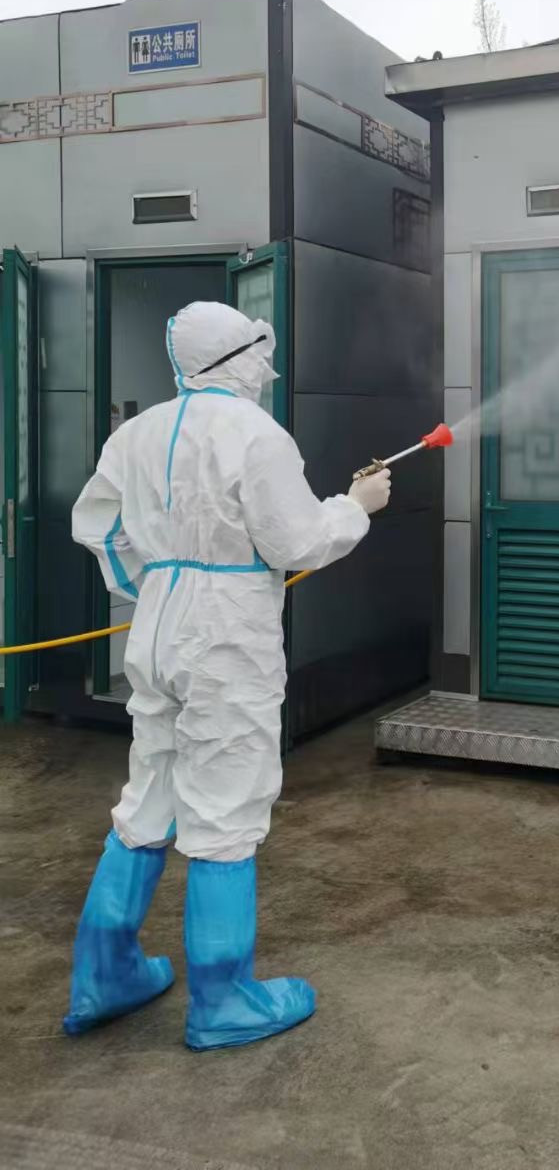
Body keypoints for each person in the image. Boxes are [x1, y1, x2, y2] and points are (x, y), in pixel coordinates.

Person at [62, 301, 391, 1051]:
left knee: (150, 792)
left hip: (157, 623)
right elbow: (296, 542)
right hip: (226, 633)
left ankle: (104, 975)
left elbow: (101, 529)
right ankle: (222, 1000)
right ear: (236, 358)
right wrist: (355, 507)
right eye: (255, 352)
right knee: (227, 803)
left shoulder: (134, 434)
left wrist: (157, 588)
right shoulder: (256, 434)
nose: (264, 367)